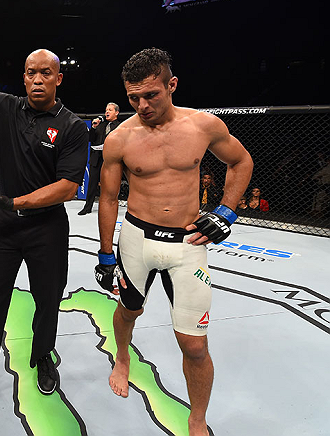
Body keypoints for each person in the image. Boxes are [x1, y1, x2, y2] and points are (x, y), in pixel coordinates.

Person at [95, 48, 253, 436]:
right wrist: (104, 254)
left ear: (172, 85)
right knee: (128, 311)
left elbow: (241, 161)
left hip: (188, 243)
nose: (142, 105)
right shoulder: (120, 138)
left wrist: (227, 212)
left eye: (152, 95)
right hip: (136, 239)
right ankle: (121, 357)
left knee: (195, 346)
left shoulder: (203, 126)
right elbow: (110, 198)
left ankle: (196, 418)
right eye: (134, 98)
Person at [0, 48, 89, 409]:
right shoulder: (5, 107)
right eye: (30, 73)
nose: (37, 80)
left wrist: (15, 202)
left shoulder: (71, 126)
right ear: (23, 77)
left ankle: (43, 356)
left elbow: (68, 187)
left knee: (47, 300)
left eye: (45, 73)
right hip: (7, 228)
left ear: (58, 78)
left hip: (48, 228)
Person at [79, 102, 120, 215]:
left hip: (109, 160)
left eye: (110, 110)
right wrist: (93, 127)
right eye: (106, 110)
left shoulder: (119, 127)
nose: (107, 112)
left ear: (116, 112)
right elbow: (90, 139)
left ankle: (107, 208)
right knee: (92, 183)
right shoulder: (100, 125)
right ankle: (87, 207)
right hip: (96, 159)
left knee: (108, 185)